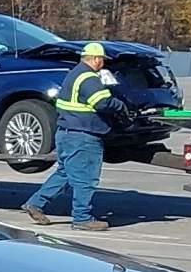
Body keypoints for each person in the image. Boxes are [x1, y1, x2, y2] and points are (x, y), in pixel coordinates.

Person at [23, 40, 122, 231]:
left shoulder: (74, 74)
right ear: (95, 59)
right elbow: (102, 103)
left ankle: (35, 203)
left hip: (66, 133)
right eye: (102, 60)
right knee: (86, 179)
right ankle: (82, 218)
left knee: (65, 173)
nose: (103, 63)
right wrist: (121, 107)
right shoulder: (89, 78)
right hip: (83, 136)